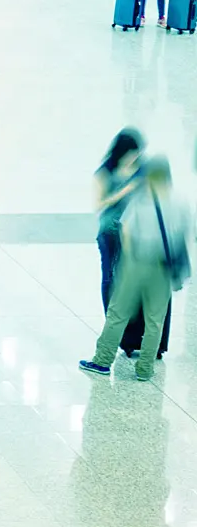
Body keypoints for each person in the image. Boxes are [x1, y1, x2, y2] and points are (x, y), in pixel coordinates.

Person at [82, 153, 188, 382]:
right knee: (155, 319)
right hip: (163, 268)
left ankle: (102, 361)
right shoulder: (181, 203)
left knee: (118, 313)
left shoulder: (141, 200)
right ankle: (145, 369)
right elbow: (182, 237)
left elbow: (127, 232)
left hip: (137, 263)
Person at [92, 129, 169, 361]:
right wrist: (124, 191)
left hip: (139, 234)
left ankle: (137, 340)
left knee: (137, 287)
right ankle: (117, 335)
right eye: (131, 153)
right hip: (111, 233)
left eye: (138, 153)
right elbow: (99, 204)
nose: (135, 158)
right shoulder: (105, 172)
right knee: (111, 281)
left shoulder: (144, 168)